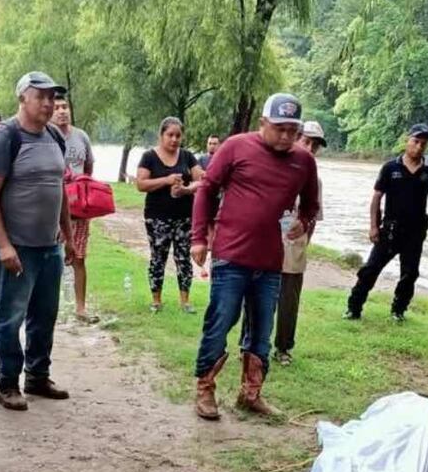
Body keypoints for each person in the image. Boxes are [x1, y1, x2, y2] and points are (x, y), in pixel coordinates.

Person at [190, 93, 319, 420]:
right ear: (263, 123)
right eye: (280, 129)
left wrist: (302, 223)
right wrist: (199, 237)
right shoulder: (235, 147)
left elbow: (310, 204)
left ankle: (251, 393)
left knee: (262, 329)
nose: (287, 136)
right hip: (231, 255)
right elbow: (207, 189)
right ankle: (205, 388)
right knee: (221, 321)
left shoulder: (304, 161)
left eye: (293, 130)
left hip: (271, 261)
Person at [0, 72, 74, 412]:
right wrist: (4, 245)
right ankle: (7, 382)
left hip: (50, 246)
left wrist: (67, 233)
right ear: (22, 98)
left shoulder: (53, 136)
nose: (49, 104)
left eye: (53, 97)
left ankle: (37, 375)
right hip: (17, 246)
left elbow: (60, 187)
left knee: (45, 314)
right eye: (42, 97)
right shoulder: (5, 137)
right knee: (10, 317)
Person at [346, 123, 428, 322]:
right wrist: (373, 226)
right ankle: (354, 308)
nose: (419, 146)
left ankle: (398, 311)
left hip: (415, 232)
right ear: (407, 140)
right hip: (390, 230)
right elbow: (377, 197)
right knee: (370, 269)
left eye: (424, 143)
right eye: (416, 141)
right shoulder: (390, 167)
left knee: (410, 274)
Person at [135, 117, 204, 313]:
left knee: (183, 257)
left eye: (178, 136)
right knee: (158, 257)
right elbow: (141, 184)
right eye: (170, 135)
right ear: (161, 135)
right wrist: (166, 180)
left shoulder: (187, 156)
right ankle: (156, 300)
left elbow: (203, 179)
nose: (174, 140)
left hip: (184, 216)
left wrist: (187, 189)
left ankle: (185, 301)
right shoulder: (149, 156)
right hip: (157, 216)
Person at [273, 121, 326, 366]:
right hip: (266, 245)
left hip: (294, 249)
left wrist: (304, 242)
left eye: (315, 145)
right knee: (257, 299)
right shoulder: (272, 167)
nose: (310, 148)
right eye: (306, 141)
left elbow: (314, 216)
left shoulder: (315, 180)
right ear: (295, 138)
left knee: (289, 303)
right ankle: (250, 345)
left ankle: (283, 348)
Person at [50, 91, 97, 323]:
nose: (61, 111)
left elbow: (88, 166)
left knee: (79, 257)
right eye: (57, 107)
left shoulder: (81, 137)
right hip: (52, 208)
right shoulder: (46, 136)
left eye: (64, 107)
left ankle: (80, 308)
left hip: (78, 208)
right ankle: (49, 307)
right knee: (52, 258)